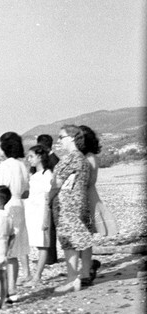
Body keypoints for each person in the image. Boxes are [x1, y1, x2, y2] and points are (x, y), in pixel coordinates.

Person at [48, 125, 93, 293]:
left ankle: (72, 279)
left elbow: (57, 184)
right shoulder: (83, 159)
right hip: (79, 203)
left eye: (61, 137)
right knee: (77, 240)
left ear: (72, 138)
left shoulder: (69, 159)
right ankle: (79, 275)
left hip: (67, 205)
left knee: (68, 242)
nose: (58, 140)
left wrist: (48, 199)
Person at [0, 132, 30, 297]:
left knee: (2, 249)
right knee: (14, 250)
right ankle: (12, 287)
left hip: (6, 207)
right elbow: (26, 192)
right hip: (19, 205)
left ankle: (3, 289)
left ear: (5, 147)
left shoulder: (5, 166)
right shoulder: (22, 165)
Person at [78, 125, 116, 286]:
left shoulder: (90, 158)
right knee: (80, 236)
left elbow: (89, 181)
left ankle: (86, 269)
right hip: (85, 195)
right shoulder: (85, 157)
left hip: (87, 197)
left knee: (84, 236)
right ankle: (87, 266)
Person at [23, 144, 56, 286]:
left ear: (40, 156)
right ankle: (29, 274)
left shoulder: (47, 175)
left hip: (40, 212)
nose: (28, 159)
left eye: (31, 156)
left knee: (42, 244)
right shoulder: (34, 175)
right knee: (30, 242)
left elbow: (48, 198)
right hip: (30, 212)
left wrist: (45, 219)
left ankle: (37, 276)